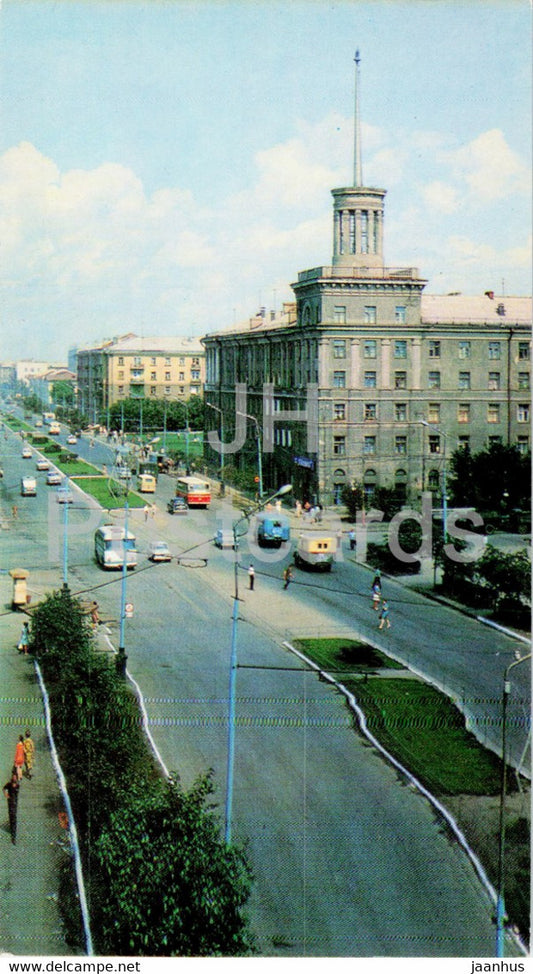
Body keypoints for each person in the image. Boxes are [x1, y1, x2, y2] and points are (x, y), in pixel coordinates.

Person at [3, 769, 20, 844]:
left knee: (14, 817)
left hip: (14, 803)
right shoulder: (9, 785)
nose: (14, 779)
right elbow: (4, 788)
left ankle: (13, 836)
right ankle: (12, 827)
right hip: (10, 803)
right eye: (13, 777)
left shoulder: (18, 786)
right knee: (11, 816)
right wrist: (6, 794)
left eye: (15, 777)